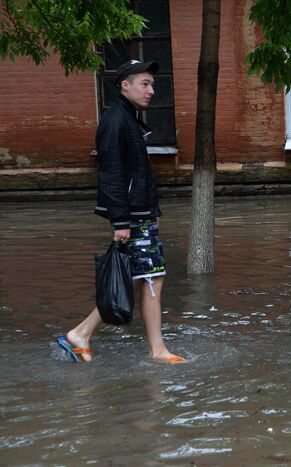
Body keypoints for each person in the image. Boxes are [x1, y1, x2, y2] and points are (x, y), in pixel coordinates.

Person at [56, 60, 185, 363]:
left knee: (148, 277)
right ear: (125, 85)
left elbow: (134, 174)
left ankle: (152, 348)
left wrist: (150, 212)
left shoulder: (126, 118)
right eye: (145, 83)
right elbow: (112, 174)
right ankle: (84, 333)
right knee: (143, 278)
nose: (151, 90)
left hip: (140, 214)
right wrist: (121, 222)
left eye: (152, 84)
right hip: (132, 217)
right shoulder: (115, 121)